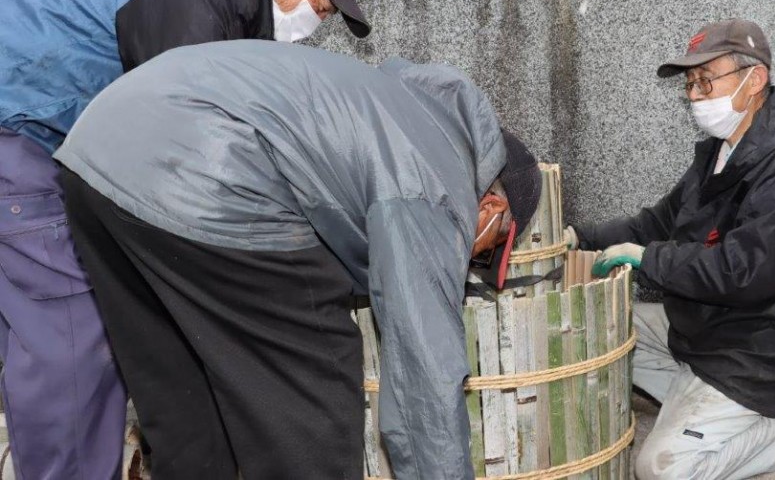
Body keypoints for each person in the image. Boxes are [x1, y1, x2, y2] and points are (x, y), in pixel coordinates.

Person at [53, 40, 542, 480]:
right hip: (201, 175)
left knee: (185, 407)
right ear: (491, 208)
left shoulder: (401, 109)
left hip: (97, 156)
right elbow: (423, 382)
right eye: (491, 249)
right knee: (314, 397)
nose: (475, 260)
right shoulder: (436, 185)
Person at [0, 0, 369, 479]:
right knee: (73, 338)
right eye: (321, 7)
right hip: (19, 125)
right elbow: (166, 159)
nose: (316, 25)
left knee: (39, 333)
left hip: (36, 125)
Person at [568, 19, 775, 480]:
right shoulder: (721, 150)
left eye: (706, 80)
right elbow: (658, 222)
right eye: (691, 84)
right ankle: (716, 406)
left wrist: (649, 259)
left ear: (754, 80)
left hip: (766, 342)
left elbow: (747, 271)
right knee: (596, 325)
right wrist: (580, 237)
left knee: (660, 470)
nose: (696, 95)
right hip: (714, 330)